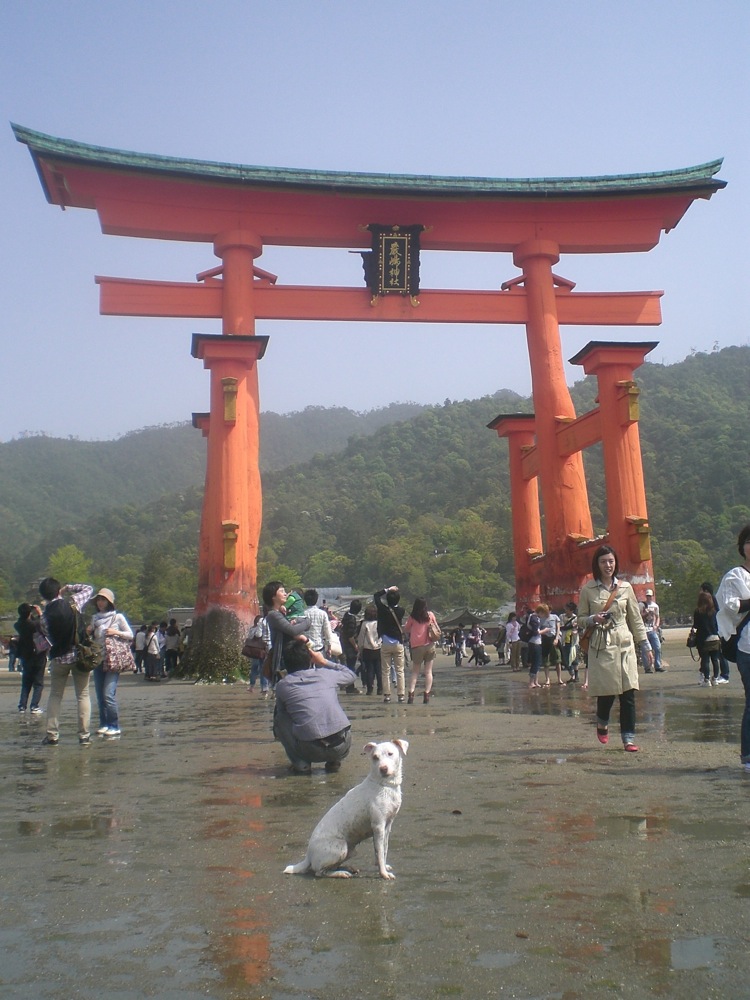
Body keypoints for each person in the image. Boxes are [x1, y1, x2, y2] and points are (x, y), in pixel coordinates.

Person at [577, 545, 653, 752]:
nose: (608, 565)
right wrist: (594, 618)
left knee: (628, 692)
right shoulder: (588, 589)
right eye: (603, 561)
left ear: (615, 563)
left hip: (624, 643)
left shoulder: (626, 588)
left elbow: (635, 619)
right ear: (597, 564)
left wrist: (645, 645)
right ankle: (602, 722)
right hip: (602, 644)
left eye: (611, 561)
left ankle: (628, 738)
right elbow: (580, 619)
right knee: (607, 692)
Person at [272, 640, 355, 774]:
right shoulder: (326, 674)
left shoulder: (283, 685)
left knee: (280, 718)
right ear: (310, 660)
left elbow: (281, 714)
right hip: (342, 745)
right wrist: (324, 662)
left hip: (309, 749)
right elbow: (351, 675)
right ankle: (334, 760)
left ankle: (301, 764)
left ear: (286, 663)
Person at [38, 578, 94, 745]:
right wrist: (68, 588)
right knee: (83, 695)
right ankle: (84, 735)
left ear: (43, 595)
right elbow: (88, 588)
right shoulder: (74, 602)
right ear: (58, 591)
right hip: (79, 655)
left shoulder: (44, 617)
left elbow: (48, 637)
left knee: (55, 695)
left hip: (59, 658)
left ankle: (52, 735)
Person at [716, 524, 750, 772]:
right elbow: (731, 606)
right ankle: (748, 756)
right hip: (748, 646)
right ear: (742, 547)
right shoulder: (735, 576)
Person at [90, 587, 133, 738]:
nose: (100, 602)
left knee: (108, 694)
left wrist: (116, 632)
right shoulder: (94, 618)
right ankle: (104, 724)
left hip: (113, 660)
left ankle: (114, 725)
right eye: (99, 600)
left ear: (109, 602)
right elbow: (92, 639)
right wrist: (89, 630)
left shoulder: (118, 617)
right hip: (98, 660)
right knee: (100, 695)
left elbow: (130, 635)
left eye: (103, 600)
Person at [262, 581, 310, 683]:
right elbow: (292, 630)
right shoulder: (274, 615)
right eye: (282, 591)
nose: (285, 594)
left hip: (289, 656)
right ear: (273, 596)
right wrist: (307, 621)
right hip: (284, 659)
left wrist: (298, 621)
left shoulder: (279, 613)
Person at [403, 598, 439, 703]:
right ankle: (426, 694)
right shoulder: (430, 615)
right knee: (428, 672)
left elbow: (406, 628)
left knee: (415, 672)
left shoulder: (412, 617)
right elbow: (436, 626)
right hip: (429, 645)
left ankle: (411, 694)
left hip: (416, 646)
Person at [374, 586, 405, 703]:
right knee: (399, 670)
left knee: (385, 670)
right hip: (398, 643)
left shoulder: (382, 610)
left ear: (387, 599)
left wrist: (387, 589)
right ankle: (401, 695)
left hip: (385, 643)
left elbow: (376, 596)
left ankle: (387, 695)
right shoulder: (401, 611)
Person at [15, 603, 46, 714]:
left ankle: (22, 706)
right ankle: (34, 705)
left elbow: (28, 621)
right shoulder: (34, 625)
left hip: (25, 656)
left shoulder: (18, 624)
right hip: (37, 654)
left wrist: (29, 613)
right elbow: (43, 624)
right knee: (38, 682)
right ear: (29, 613)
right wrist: (40, 613)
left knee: (26, 683)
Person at [701, 582, 730, 683]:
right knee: (716, 657)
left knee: (717, 656)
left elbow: (717, 614)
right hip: (717, 630)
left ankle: (724, 675)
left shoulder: (710, 600)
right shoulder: (713, 599)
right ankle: (717, 677)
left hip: (715, 631)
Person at [693, 590, 722, 686]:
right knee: (715, 659)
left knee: (705, 660)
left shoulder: (698, 611)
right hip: (715, 637)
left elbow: (696, 625)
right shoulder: (714, 611)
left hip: (703, 638)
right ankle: (715, 679)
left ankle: (706, 679)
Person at [356, 603, 382, 695]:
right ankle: (380, 688)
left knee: (369, 669)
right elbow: (382, 635)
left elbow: (361, 637)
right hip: (378, 649)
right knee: (379, 669)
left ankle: (370, 689)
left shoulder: (364, 624)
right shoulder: (379, 623)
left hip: (367, 650)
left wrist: (360, 648)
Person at [338, 599, 362, 692]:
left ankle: (345, 684)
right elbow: (350, 635)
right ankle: (350, 687)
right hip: (349, 646)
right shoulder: (352, 619)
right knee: (351, 666)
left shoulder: (346, 615)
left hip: (344, 644)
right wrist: (355, 646)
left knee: (346, 665)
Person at [538, 604, 564, 686]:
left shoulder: (555, 617)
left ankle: (559, 678)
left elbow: (558, 628)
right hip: (545, 640)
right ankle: (547, 679)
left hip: (554, 639)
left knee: (558, 660)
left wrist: (557, 638)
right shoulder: (541, 619)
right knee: (546, 661)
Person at [302, 589, 334, 656]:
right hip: (319, 648)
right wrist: (329, 647)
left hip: (305, 649)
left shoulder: (302, 614)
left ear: (305, 600)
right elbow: (327, 631)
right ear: (316, 600)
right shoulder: (322, 613)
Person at [640, 589, 665, 673]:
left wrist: (656, 625)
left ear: (652, 596)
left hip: (652, 629)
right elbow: (638, 617)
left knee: (657, 647)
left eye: (650, 596)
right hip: (644, 629)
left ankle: (657, 666)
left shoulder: (655, 606)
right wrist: (645, 613)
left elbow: (657, 616)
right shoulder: (642, 605)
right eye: (647, 596)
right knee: (645, 650)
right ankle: (647, 667)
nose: (649, 597)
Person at [246, 614, 270, 696]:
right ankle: (267, 688)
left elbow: (252, 637)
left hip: (256, 651)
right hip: (264, 649)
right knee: (264, 668)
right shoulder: (267, 624)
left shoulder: (253, 628)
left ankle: (254, 686)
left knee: (255, 668)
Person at [561, 602, 579, 682]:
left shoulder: (576, 618)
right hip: (565, 640)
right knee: (566, 659)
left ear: (571, 610)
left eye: (567, 609)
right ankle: (572, 675)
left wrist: (576, 631)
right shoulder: (562, 616)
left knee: (574, 658)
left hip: (574, 641)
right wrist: (572, 626)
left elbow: (580, 627)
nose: (566, 610)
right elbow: (562, 627)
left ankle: (576, 676)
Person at [526, 606, 543, 689]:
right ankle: (531, 682)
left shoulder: (534, 617)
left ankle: (535, 681)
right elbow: (536, 632)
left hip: (535, 642)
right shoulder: (534, 618)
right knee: (535, 662)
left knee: (537, 662)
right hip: (534, 642)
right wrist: (545, 630)